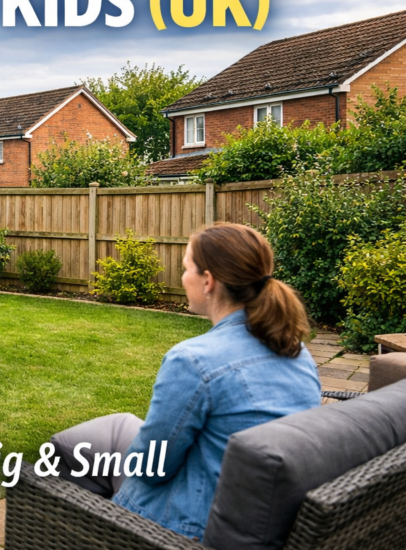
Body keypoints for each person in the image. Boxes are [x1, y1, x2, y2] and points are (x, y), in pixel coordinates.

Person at [48, 222, 320, 541]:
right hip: (258, 514)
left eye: (185, 268)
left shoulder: (194, 360)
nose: (181, 277)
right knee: (116, 427)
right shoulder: (297, 352)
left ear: (208, 281)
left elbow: (151, 468)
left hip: (186, 527)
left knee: (66, 455)